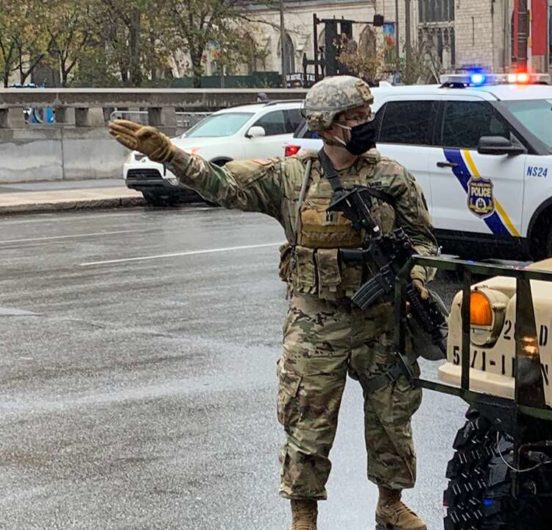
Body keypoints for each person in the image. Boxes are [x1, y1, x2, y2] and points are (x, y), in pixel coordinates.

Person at [107, 75, 436, 530]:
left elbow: (423, 241)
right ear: (326, 125)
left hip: (380, 322)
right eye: (354, 118)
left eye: (367, 115)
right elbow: (222, 185)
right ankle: (303, 515)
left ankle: (390, 504)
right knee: (307, 422)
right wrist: (170, 154)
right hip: (315, 323)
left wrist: (417, 276)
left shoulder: (392, 177)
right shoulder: (291, 177)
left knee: (392, 417)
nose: (366, 124)